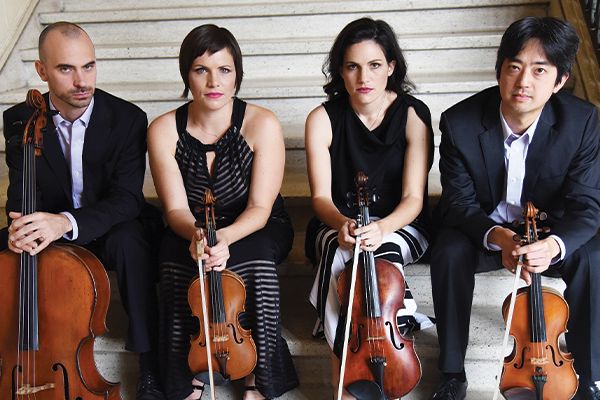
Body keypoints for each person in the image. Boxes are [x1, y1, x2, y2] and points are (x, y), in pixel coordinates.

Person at [429, 16, 600, 400]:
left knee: (592, 255)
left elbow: (587, 205)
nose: (524, 81)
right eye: (514, 67)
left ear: (561, 80)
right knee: (449, 250)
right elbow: (458, 202)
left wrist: (554, 246)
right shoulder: (459, 122)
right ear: (499, 71)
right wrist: (500, 238)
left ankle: (589, 377)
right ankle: (452, 372)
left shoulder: (581, 122)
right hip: (487, 231)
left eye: (540, 70)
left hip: (546, 234)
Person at [2, 22, 165, 399]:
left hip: (108, 226)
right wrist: (21, 225)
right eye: (66, 69)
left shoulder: (127, 119)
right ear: (42, 71)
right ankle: (10, 353)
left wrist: (65, 223)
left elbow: (127, 199)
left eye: (88, 66)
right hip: (49, 225)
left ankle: (150, 362)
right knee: (6, 247)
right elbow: (20, 195)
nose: (81, 81)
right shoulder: (18, 120)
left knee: (131, 240)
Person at [147, 24, 298, 400]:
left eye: (224, 70)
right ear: (187, 74)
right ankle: (187, 376)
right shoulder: (164, 129)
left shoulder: (262, 123)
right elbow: (176, 209)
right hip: (192, 227)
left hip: (256, 225)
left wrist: (225, 238)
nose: (213, 81)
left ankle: (257, 378)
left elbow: (261, 208)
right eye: (201, 70)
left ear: (237, 75)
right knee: (171, 258)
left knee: (258, 259)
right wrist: (200, 237)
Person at [305, 17, 434, 399]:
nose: (364, 76)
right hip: (337, 221)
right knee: (337, 250)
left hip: (402, 223)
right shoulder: (322, 119)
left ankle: (384, 358)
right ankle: (341, 377)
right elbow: (320, 200)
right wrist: (344, 224)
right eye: (352, 66)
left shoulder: (413, 115)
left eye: (375, 65)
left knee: (381, 253)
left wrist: (383, 228)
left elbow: (414, 199)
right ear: (340, 71)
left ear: (391, 67)